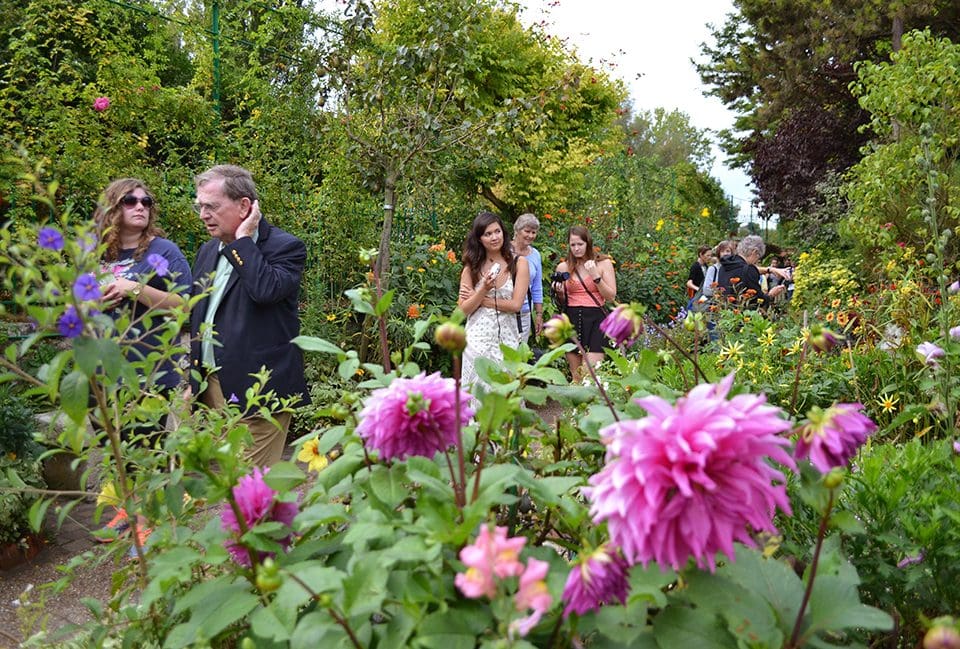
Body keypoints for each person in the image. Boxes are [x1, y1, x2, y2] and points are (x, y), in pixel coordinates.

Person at [92, 178, 192, 547]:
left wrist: (136, 289)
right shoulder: (98, 252)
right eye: (130, 201)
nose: (140, 206)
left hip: (149, 364)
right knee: (113, 445)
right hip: (105, 365)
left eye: (146, 201)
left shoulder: (163, 251)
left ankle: (147, 523)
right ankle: (127, 509)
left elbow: (186, 304)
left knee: (145, 444)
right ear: (112, 209)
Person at [188, 164, 309, 467]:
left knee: (250, 489)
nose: (203, 215)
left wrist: (242, 241)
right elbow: (199, 314)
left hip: (259, 390)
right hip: (213, 386)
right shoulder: (207, 251)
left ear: (244, 206)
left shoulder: (285, 247)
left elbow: (265, 290)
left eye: (212, 206)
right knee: (232, 484)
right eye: (200, 206)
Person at [458, 211, 530, 391]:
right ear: (479, 239)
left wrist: (481, 300)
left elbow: (515, 305)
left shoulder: (519, 263)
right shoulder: (471, 269)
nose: (494, 237)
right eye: (487, 234)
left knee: (506, 391)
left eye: (497, 231)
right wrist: (483, 289)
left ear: (504, 233)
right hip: (476, 340)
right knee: (477, 392)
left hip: (507, 339)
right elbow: (463, 310)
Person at [552, 226, 616, 381]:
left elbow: (611, 296)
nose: (576, 248)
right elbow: (560, 302)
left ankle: (593, 404)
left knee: (591, 375)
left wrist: (596, 276)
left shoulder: (603, 264)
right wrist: (559, 292)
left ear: (588, 243)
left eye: (580, 244)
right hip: (572, 318)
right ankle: (576, 406)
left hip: (596, 318)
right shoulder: (564, 267)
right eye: (572, 245)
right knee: (576, 376)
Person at [716, 235, 789, 309]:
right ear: (754, 252)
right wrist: (771, 295)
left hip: (724, 312)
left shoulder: (725, 265)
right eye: (758, 257)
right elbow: (757, 300)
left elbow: (741, 267)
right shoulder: (749, 270)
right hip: (741, 315)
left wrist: (769, 269)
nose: (756, 261)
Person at [511, 213, 544, 347]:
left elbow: (537, 286)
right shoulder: (504, 250)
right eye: (527, 231)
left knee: (518, 353)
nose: (530, 236)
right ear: (517, 230)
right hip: (503, 309)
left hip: (524, 312)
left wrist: (539, 314)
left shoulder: (535, 255)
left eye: (533, 232)